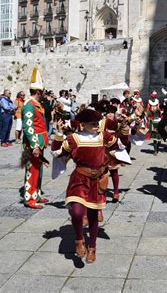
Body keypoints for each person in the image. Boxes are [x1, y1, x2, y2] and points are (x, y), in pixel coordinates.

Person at [51, 108, 129, 263]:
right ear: (83, 124)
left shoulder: (104, 136)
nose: (96, 126)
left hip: (97, 180)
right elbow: (57, 152)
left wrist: (125, 129)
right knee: (77, 212)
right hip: (79, 179)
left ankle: (92, 247)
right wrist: (58, 135)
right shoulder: (74, 139)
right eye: (93, 123)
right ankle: (79, 240)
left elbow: (120, 145)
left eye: (97, 123)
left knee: (93, 216)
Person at [22, 67, 49, 209]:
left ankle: (36, 194)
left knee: (38, 170)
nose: (44, 93)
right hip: (34, 144)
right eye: (43, 91)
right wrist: (34, 145)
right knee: (32, 170)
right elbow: (28, 127)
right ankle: (30, 198)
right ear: (39, 92)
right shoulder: (29, 105)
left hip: (40, 142)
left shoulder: (37, 104)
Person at [145, 91, 162, 155]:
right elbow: (148, 110)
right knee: (154, 139)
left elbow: (158, 108)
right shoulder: (149, 103)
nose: (153, 98)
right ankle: (155, 150)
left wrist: (159, 113)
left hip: (158, 117)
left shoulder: (157, 102)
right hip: (152, 117)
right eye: (152, 97)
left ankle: (157, 148)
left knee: (159, 140)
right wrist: (149, 116)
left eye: (154, 97)